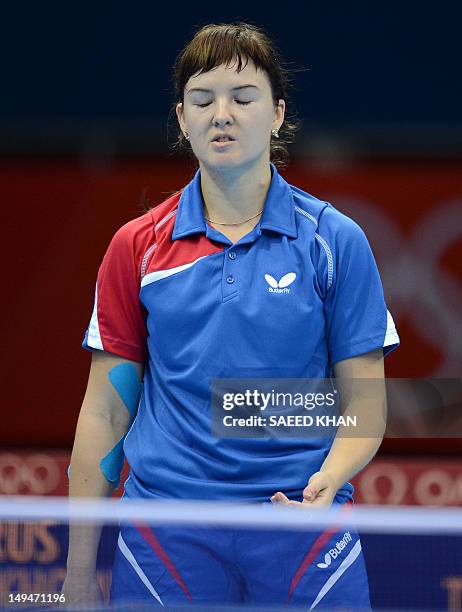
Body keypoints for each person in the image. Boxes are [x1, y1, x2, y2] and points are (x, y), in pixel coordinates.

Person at [63, 22, 399, 609]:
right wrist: (75, 572)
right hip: (169, 528)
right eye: (203, 100)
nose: (223, 114)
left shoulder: (335, 242)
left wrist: (330, 477)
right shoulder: (136, 248)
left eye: (243, 98)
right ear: (181, 118)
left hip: (300, 523)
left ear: (276, 114)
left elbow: (364, 402)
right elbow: (107, 409)